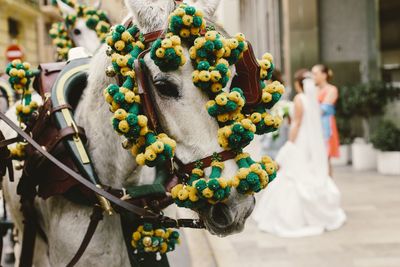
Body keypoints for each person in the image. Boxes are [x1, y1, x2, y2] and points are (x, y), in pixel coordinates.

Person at [252, 69, 346, 238]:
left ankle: (290, 217)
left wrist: (290, 143)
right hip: (311, 141)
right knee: (306, 171)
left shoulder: (299, 99)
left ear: (297, 84)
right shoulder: (313, 99)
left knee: (292, 174)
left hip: (300, 140)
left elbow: (296, 123)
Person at [312, 64, 340, 176]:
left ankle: (328, 186)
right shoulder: (313, 90)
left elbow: (323, 109)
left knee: (325, 157)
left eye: (315, 74)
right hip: (314, 125)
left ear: (324, 75)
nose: (313, 76)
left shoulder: (332, 89)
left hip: (326, 126)